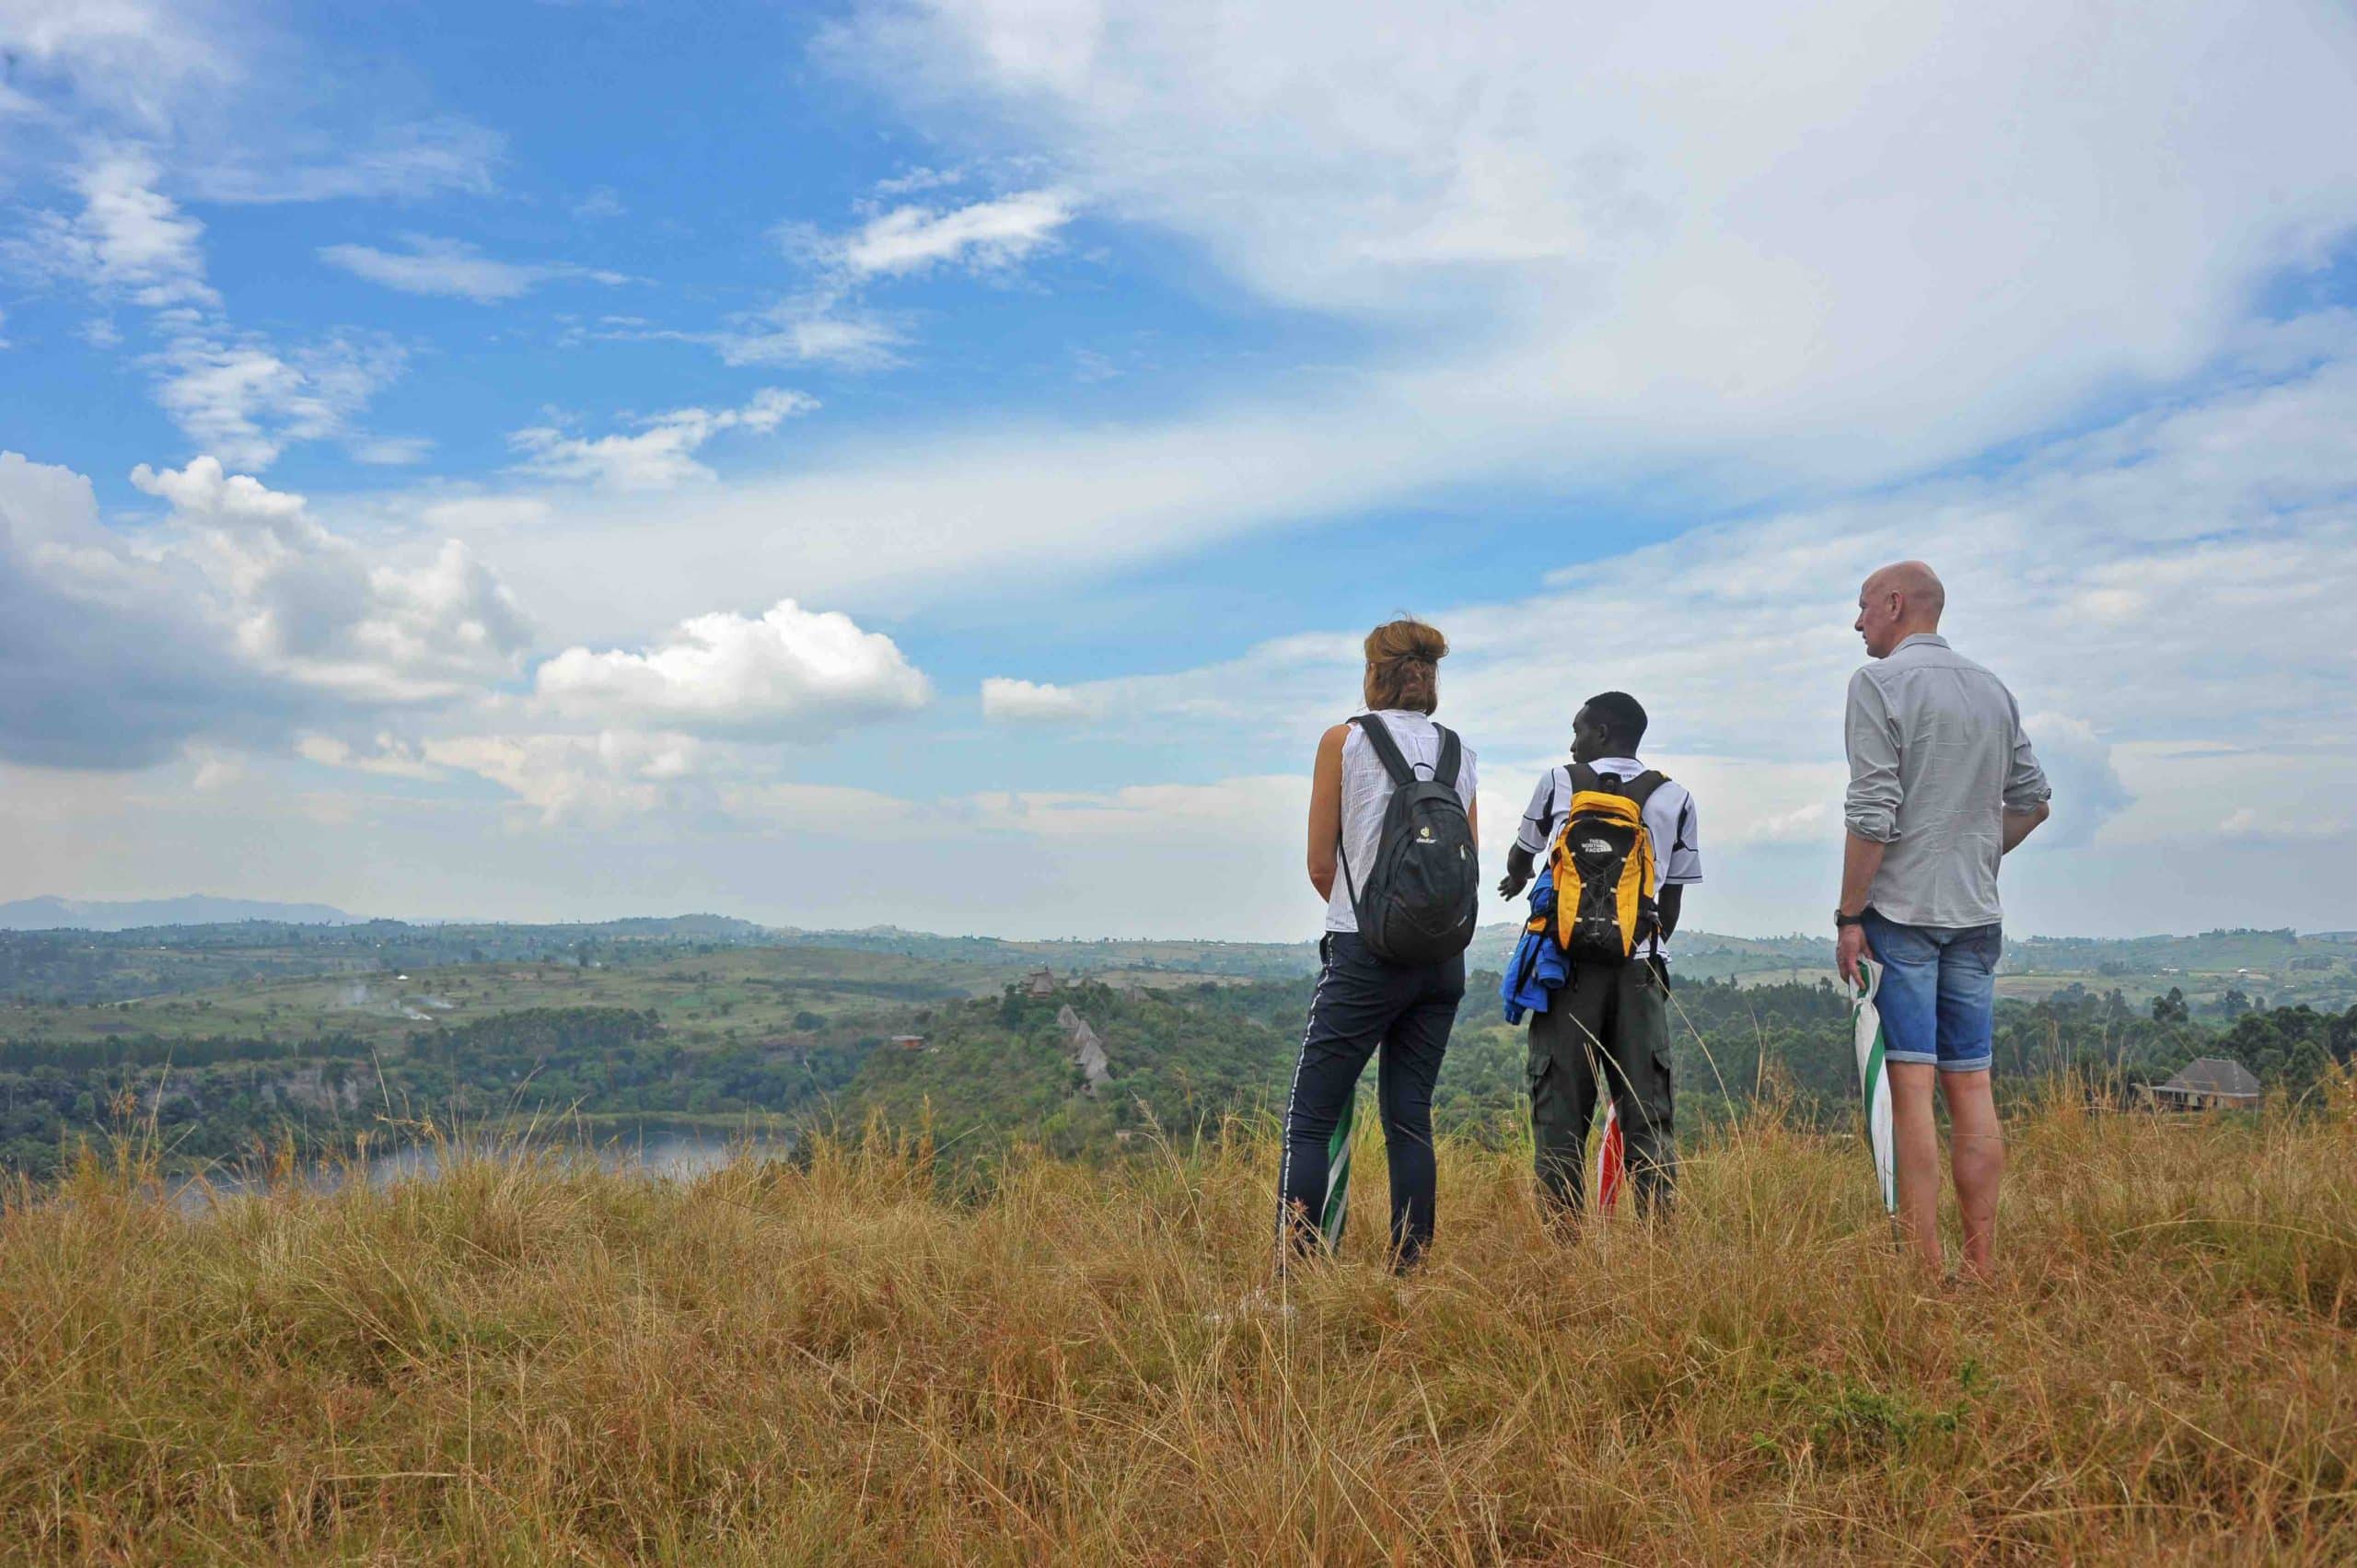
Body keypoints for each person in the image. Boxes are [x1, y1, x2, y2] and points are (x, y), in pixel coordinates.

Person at [1836, 560, 2051, 1279]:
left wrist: (1849, 913)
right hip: (1976, 912)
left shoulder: (1878, 683)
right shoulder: (1993, 689)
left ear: (1896, 605)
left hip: (1902, 911)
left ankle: (1927, 1267)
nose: (1858, 621)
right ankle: (1982, 1262)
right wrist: (1977, 849)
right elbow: (2033, 798)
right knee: (1974, 1085)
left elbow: (1871, 811)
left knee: (1913, 1090)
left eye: (1864, 606)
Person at [1281, 618, 1478, 1271]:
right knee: (1409, 1118)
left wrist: (1371, 924)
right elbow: (1464, 863)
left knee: (1310, 1119)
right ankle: (1409, 1275)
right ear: (1428, 678)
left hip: (1366, 953)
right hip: (1443, 960)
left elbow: (1319, 863)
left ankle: (1294, 1281)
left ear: (1375, 673)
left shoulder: (1345, 741)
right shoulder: (1459, 753)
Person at [1498, 691, 1701, 1215]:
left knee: (1559, 1117)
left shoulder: (1559, 781)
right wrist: (1637, 946)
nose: (1573, 742)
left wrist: (1517, 877)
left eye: (1580, 729)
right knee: (1647, 1115)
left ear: (1604, 732)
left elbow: (1522, 854)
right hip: (1638, 973)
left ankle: (1562, 1256)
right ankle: (1658, 1247)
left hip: (1564, 972)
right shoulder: (1676, 797)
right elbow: (1672, 899)